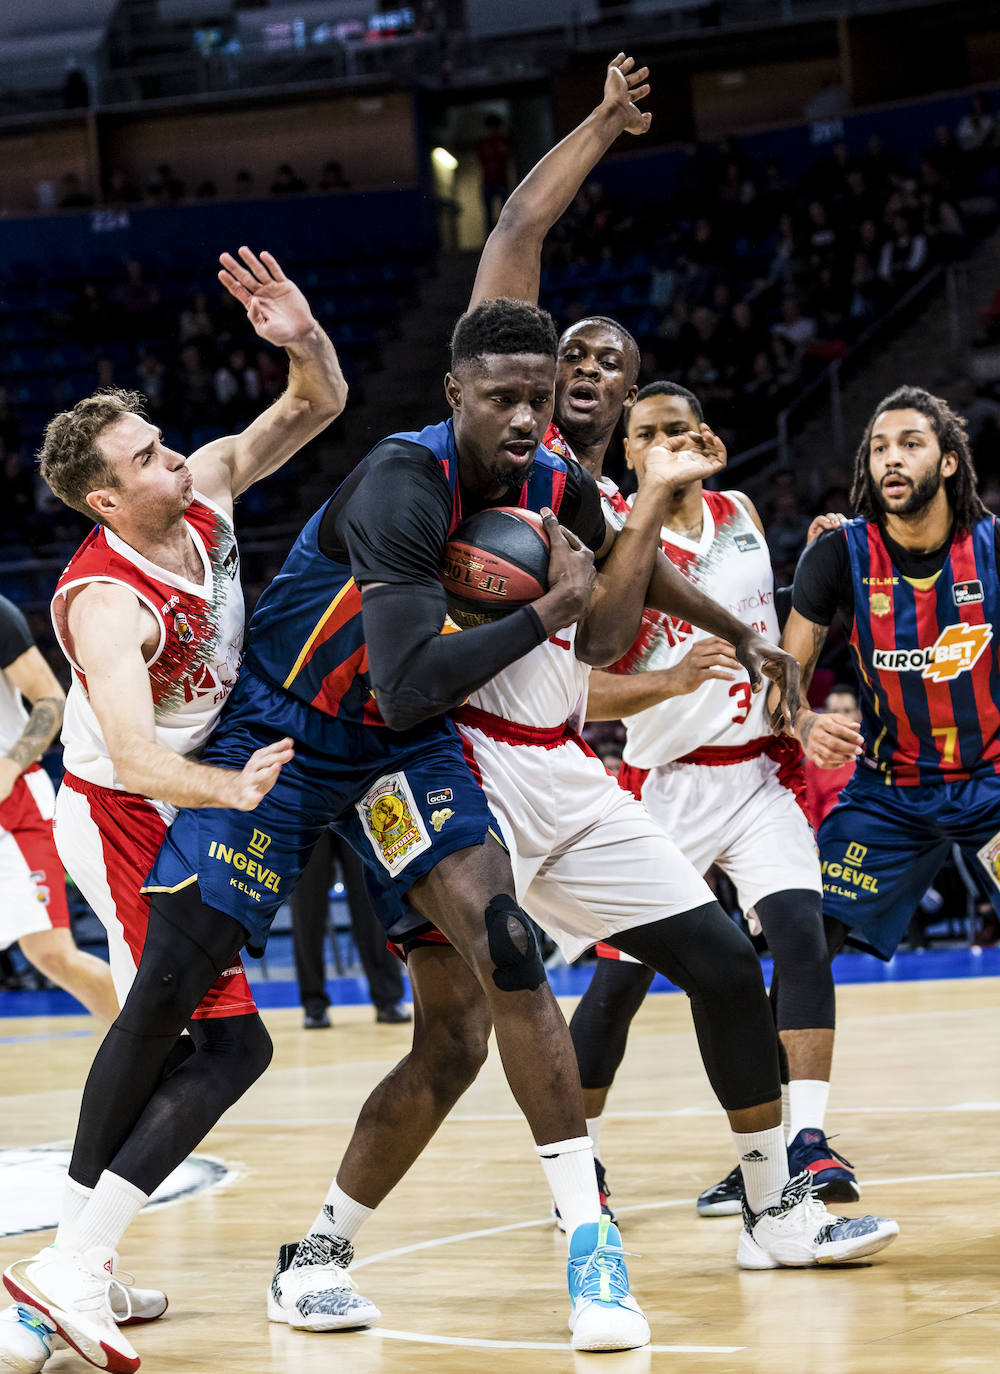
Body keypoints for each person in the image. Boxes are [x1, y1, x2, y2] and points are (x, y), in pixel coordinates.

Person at [267, 60, 896, 1351]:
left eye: (599, 366)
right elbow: (512, 235)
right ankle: (451, 1244)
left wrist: (738, 629)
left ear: (599, 393)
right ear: (494, 379)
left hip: (563, 764)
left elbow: (623, 606)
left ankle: (776, 1203)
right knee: (468, 1020)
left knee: (725, 959)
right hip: (450, 759)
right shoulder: (461, 448)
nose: (580, 377)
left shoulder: (581, 485)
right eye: (569, 359)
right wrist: (607, 126)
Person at [0, 247, 347, 1374]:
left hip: (201, 798)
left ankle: (66, 1272)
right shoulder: (102, 600)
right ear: (106, 498)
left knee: (172, 1039)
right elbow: (141, 755)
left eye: (161, 441)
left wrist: (297, 334)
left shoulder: (206, 493)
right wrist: (232, 788)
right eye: (147, 457)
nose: (173, 457)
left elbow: (320, 402)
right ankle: (66, 1270)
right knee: (217, 1043)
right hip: (129, 815)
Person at [568, 381, 856, 1224]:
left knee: (802, 934)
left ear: (705, 436)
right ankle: (577, 1168)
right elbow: (582, 689)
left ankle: (803, 1143)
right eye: (645, 433)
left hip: (759, 771)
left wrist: (826, 560)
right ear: (627, 454)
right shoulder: (612, 529)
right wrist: (671, 680)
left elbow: (774, 632)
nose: (662, 442)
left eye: (676, 428)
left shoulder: (739, 511)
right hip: (668, 786)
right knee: (622, 987)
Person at [781, 383, 1000, 1118]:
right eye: (878, 447)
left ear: (946, 462)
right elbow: (785, 673)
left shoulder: (994, 551)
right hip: (891, 790)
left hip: (993, 782)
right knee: (805, 935)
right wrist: (804, 721)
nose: (891, 459)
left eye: (910, 444)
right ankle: (794, 1147)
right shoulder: (839, 554)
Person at [0, 595, 117, 1022]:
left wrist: (10, 765)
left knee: (52, 953)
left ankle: (153, 1055)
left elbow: (50, 698)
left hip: (12, 807)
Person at [291, 828, 411, 1028]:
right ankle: (314, 1004)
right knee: (307, 912)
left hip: (353, 807)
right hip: (308, 813)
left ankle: (388, 999)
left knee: (372, 906)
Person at [804, 683, 859, 830]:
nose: (841, 717)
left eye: (847, 711)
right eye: (835, 711)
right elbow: (812, 807)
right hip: (830, 829)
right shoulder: (814, 759)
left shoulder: (873, 754)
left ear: (858, 714)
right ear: (826, 715)